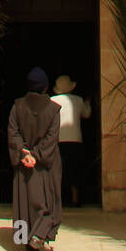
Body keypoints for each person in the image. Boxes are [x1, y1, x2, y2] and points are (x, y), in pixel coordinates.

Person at [7, 67, 62, 251]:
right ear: (45, 87)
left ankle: (26, 239)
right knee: (47, 199)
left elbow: (13, 133)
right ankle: (39, 237)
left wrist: (24, 153)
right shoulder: (53, 109)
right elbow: (52, 137)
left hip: (24, 164)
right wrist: (37, 155)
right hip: (46, 164)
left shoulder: (17, 107)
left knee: (25, 201)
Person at [50, 74, 92, 207]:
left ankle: (58, 200)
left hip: (58, 140)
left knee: (58, 170)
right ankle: (75, 199)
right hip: (75, 140)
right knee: (74, 169)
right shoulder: (78, 100)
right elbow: (86, 114)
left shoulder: (52, 101)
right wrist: (88, 103)